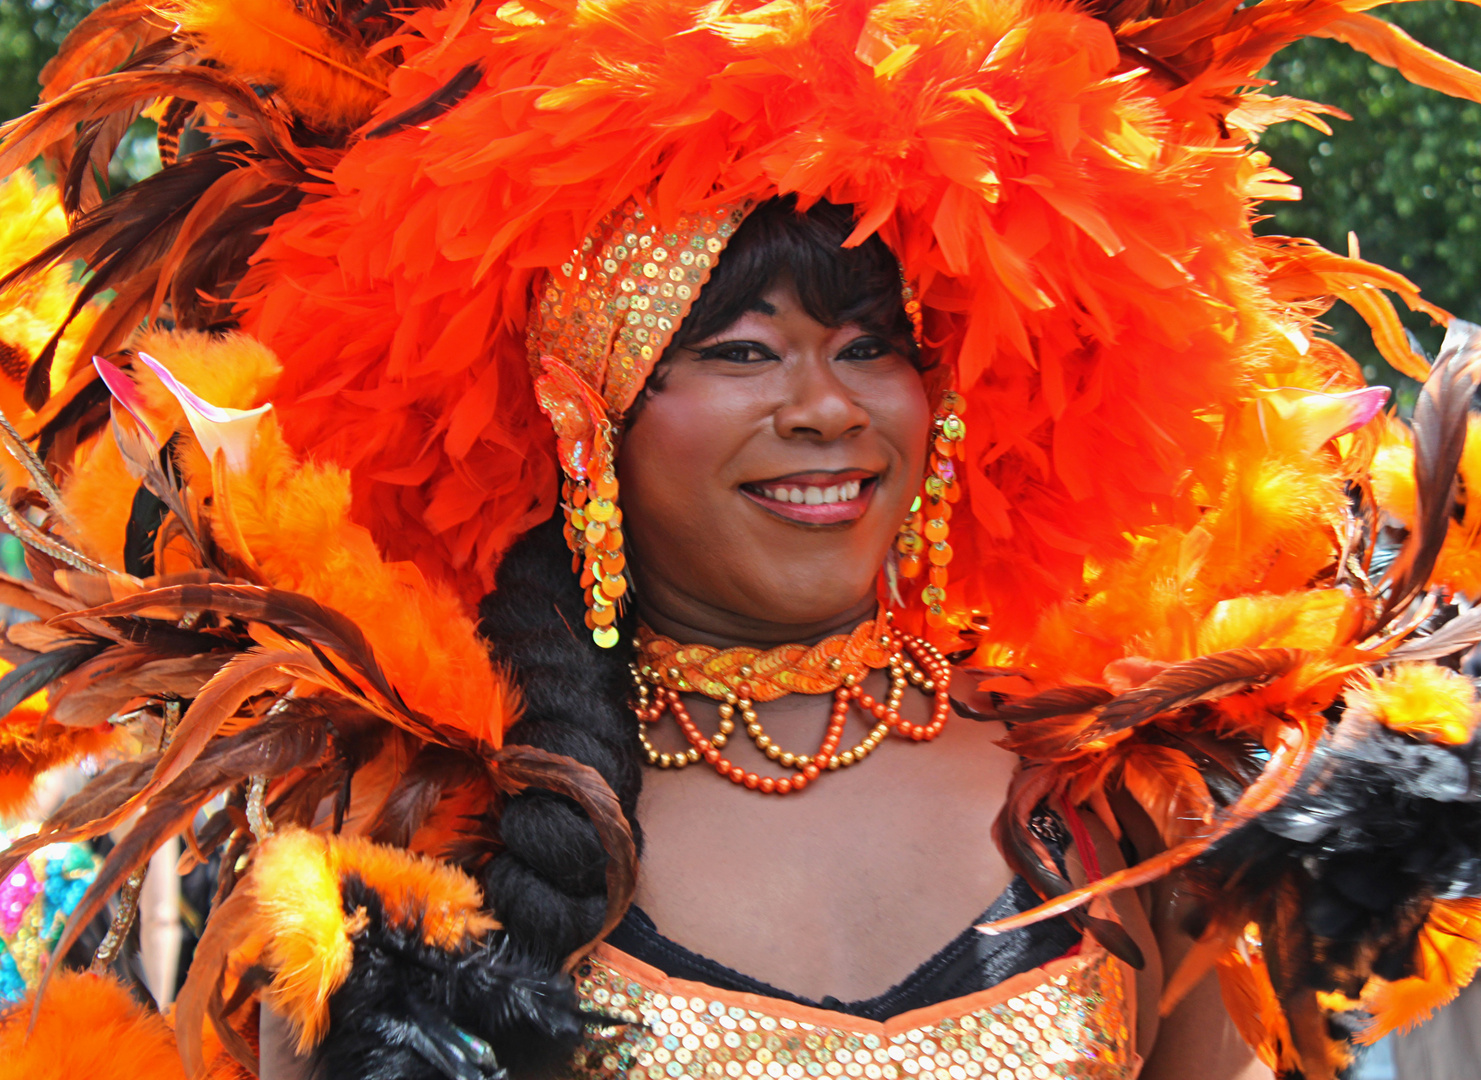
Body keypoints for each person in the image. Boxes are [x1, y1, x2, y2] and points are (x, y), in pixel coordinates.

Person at [1, 3, 1481, 1080]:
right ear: (589, 425)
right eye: (739, 352)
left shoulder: (1117, 814)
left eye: (867, 345)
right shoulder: (417, 850)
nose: (824, 410)